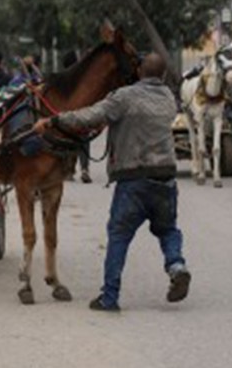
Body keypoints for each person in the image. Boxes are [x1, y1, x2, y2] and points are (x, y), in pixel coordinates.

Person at [33, 53, 191, 312]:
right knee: (168, 230)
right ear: (162, 76)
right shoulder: (169, 99)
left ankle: (109, 297)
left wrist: (53, 120)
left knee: (118, 236)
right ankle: (176, 266)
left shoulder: (124, 97)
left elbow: (89, 116)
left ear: (139, 72)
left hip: (133, 179)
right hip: (165, 177)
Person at [61, 51, 92, 183]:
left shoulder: (62, 78)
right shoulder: (83, 77)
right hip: (82, 112)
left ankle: (69, 170)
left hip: (67, 113)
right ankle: (84, 169)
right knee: (84, 140)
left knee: (68, 140)